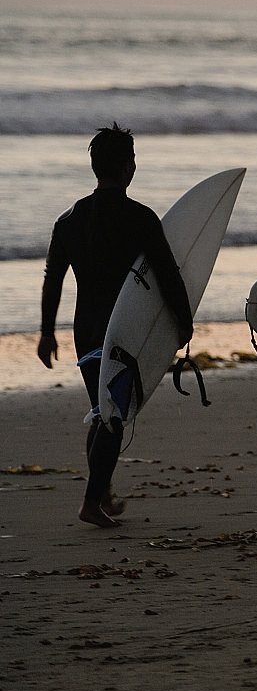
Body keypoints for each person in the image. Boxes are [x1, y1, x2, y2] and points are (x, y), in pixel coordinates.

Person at [38, 123, 193, 528]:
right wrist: (183, 321)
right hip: (126, 331)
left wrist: (45, 332)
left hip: (85, 330)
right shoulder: (140, 218)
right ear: (128, 166)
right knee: (113, 417)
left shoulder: (68, 221)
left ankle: (101, 491)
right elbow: (167, 274)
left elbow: (52, 279)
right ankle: (92, 502)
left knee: (103, 410)